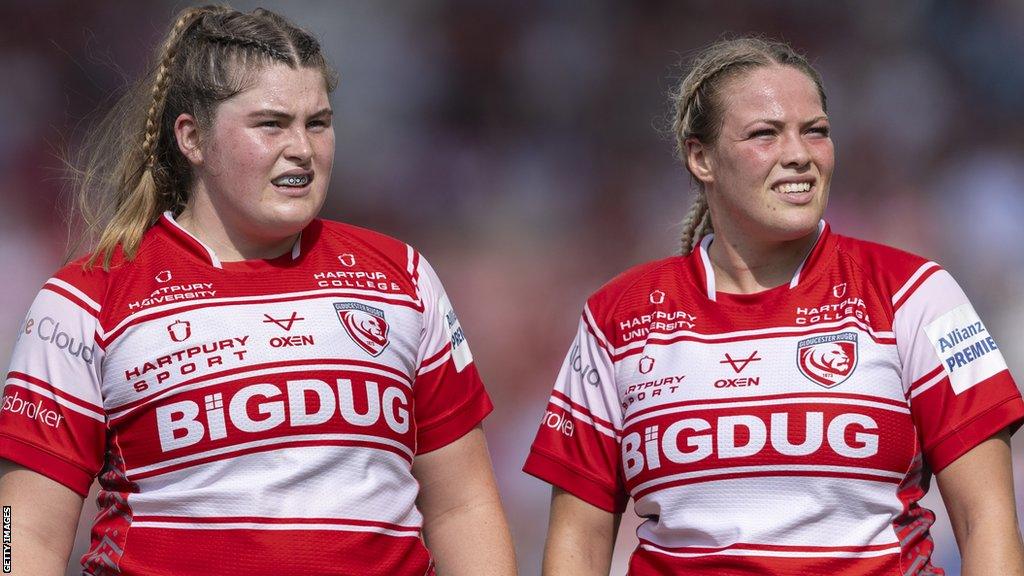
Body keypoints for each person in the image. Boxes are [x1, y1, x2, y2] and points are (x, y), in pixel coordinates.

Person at [0, 6, 516, 575]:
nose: (301, 148)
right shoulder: (85, 300)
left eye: (317, 123)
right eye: (271, 124)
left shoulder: (403, 277)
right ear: (192, 138)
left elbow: (464, 506)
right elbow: (19, 530)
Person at [524, 36, 1024, 575]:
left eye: (816, 131)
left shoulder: (917, 293)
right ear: (701, 157)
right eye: (765, 133)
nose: (799, 155)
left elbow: (987, 521)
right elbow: (577, 541)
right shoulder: (616, 317)